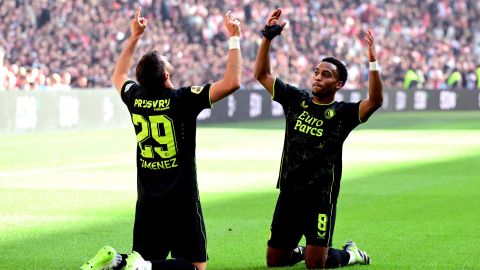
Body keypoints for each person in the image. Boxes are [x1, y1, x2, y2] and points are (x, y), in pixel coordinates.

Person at [80, 7, 242, 270]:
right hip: (182, 201)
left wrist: (134, 37)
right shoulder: (182, 100)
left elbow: (118, 75)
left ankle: (116, 262)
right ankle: (139, 266)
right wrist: (234, 37)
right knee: (193, 268)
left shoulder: (135, 97)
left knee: (140, 262)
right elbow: (233, 82)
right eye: (166, 61)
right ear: (167, 75)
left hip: (147, 201)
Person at [254, 9, 383, 269]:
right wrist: (267, 38)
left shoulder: (343, 114)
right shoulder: (296, 99)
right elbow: (262, 75)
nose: (318, 77)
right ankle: (306, 249)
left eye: (326, 75)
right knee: (275, 261)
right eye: (317, 72)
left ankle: (351, 255)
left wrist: (372, 63)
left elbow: (375, 101)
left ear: (338, 84)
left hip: (321, 198)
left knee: (316, 265)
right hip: (290, 193)